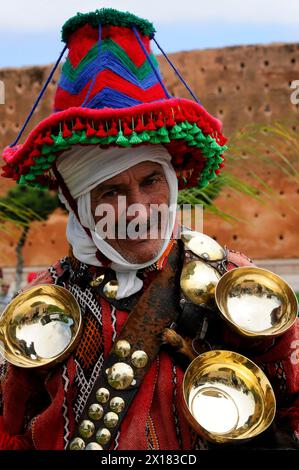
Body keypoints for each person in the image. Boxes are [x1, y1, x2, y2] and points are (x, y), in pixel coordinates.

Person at [0, 8, 298, 451]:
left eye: (151, 181)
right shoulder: (36, 311)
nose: (138, 209)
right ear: (79, 207)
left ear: (173, 182)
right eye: (110, 191)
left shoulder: (238, 286)